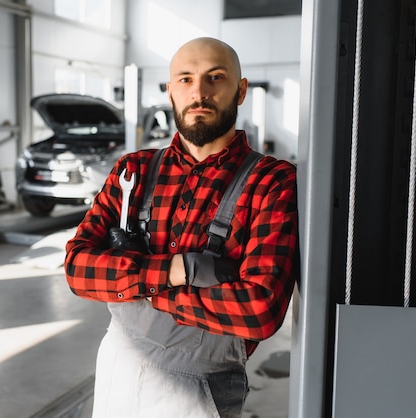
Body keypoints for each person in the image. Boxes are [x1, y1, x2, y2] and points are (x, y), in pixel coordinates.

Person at [65, 37, 298, 418]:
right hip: (118, 373)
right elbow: (78, 269)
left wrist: (143, 290)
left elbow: (259, 311)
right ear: (170, 90)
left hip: (201, 390)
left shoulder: (270, 181)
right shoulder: (133, 171)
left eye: (215, 78)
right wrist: (178, 270)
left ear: (240, 91)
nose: (199, 92)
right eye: (185, 79)